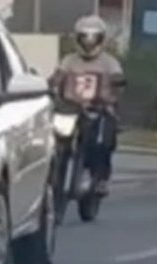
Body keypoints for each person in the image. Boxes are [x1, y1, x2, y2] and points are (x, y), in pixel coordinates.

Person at [50, 15, 125, 195]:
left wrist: (115, 88)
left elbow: (119, 80)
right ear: (77, 38)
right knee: (57, 140)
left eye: (93, 38)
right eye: (84, 37)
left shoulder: (109, 62)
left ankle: (101, 178)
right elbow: (57, 77)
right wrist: (51, 84)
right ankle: (53, 176)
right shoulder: (69, 60)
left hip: (99, 109)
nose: (89, 43)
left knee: (103, 142)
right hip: (71, 108)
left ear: (101, 39)